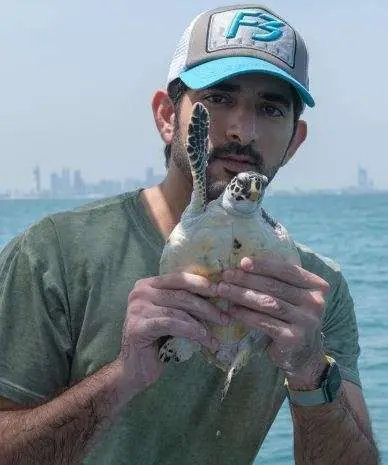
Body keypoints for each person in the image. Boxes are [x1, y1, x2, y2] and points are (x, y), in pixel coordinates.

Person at [0, 4, 381, 464]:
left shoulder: (315, 291)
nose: (243, 129)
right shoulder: (54, 254)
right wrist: (123, 377)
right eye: (219, 99)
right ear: (167, 117)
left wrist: (309, 371)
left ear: (295, 141)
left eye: (270, 107)